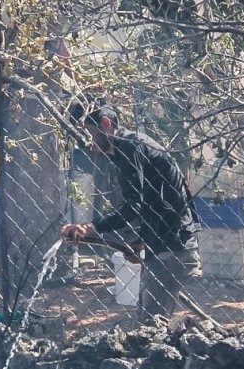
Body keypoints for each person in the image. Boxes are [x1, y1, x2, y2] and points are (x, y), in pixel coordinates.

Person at [60, 102, 200, 322]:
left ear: (105, 124)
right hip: (166, 244)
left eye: (90, 132)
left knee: (151, 325)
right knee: (149, 320)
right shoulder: (130, 147)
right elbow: (153, 201)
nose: (89, 141)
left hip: (173, 248)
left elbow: (134, 205)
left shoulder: (129, 148)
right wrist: (142, 240)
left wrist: (91, 227)